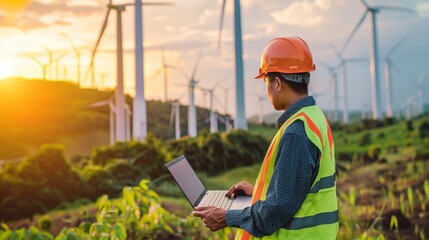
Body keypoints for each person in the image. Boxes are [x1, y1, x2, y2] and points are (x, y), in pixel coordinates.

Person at [193, 37, 339, 239]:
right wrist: (258, 193)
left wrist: (227, 217)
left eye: (265, 81)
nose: (266, 89)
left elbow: (275, 212)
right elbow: (297, 193)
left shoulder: (297, 131)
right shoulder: (314, 118)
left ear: (277, 83)